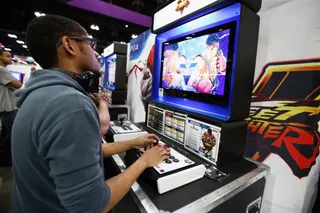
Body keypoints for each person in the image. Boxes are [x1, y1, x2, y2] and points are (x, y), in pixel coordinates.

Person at [11, 15, 168, 213]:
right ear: (69, 45)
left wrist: (132, 143)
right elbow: (92, 206)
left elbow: (78, 155)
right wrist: (144, 161)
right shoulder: (70, 104)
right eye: (90, 43)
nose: (95, 51)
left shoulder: (40, 94)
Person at [0, 49, 22, 167]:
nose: (10, 59)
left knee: (5, 131)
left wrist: (12, 84)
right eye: (7, 56)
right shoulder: (2, 70)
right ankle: (4, 158)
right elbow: (18, 84)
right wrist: (13, 84)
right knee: (12, 131)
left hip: (5, 106)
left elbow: (14, 85)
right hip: (7, 106)